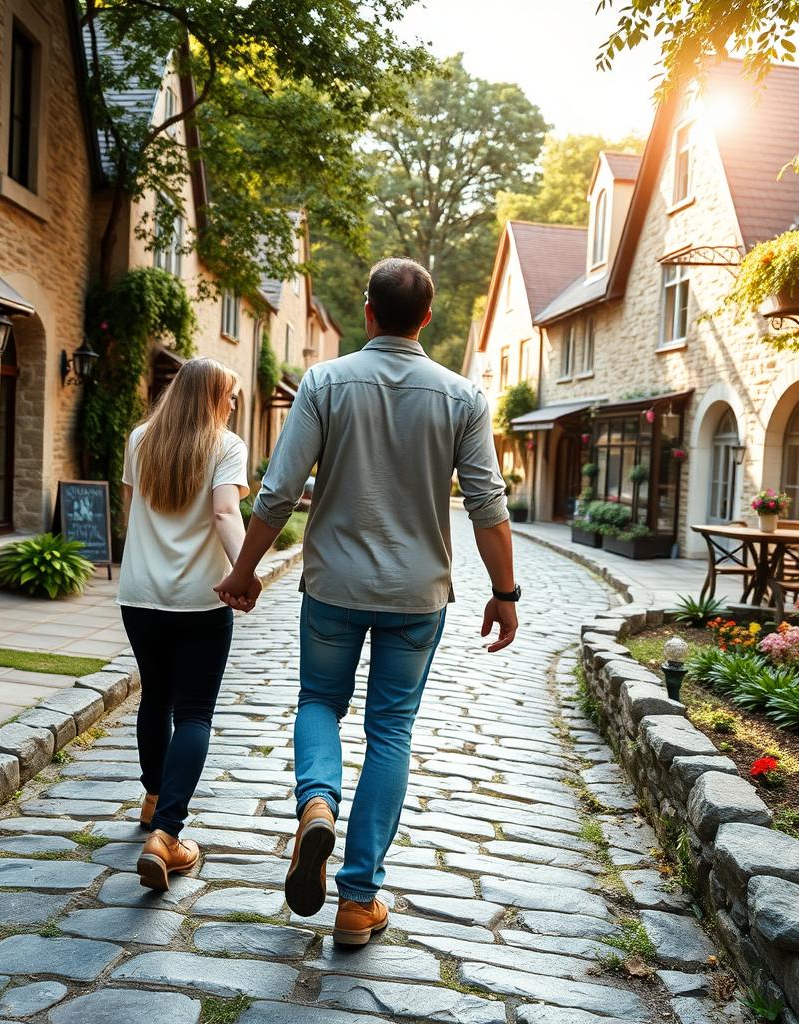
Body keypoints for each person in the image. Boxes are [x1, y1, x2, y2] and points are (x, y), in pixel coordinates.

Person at [217, 257, 518, 945]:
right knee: (390, 729)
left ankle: (317, 803)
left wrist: (244, 569)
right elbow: (487, 505)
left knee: (320, 701)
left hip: (333, 588)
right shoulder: (462, 397)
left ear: (368, 312)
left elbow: (278, 490)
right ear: (429, 318)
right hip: (417, 596)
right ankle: (358, 902)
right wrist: (504, 592)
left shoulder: (324, 382)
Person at [117, 357, 255, 891]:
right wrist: (245, 573)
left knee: (156, 699)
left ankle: (153, 800)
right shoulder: (226, 445)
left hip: (140, 596)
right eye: (230, 396)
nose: (233, 405)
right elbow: (224, 514)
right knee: (194, 714)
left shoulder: (139, 439)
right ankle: (167, 835)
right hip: (201, 598)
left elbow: (133, 510)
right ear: (213, 397)